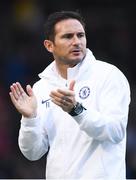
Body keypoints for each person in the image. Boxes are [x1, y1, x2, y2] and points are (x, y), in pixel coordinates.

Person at [9, 11, 131, 179]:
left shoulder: (109, 75)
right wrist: (30, 119)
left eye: (80, 35)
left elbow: (115, 132)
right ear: (49, 45)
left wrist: (77, 110)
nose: (76, 42)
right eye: (67, 36)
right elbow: (33, 153)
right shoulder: (41, 87)